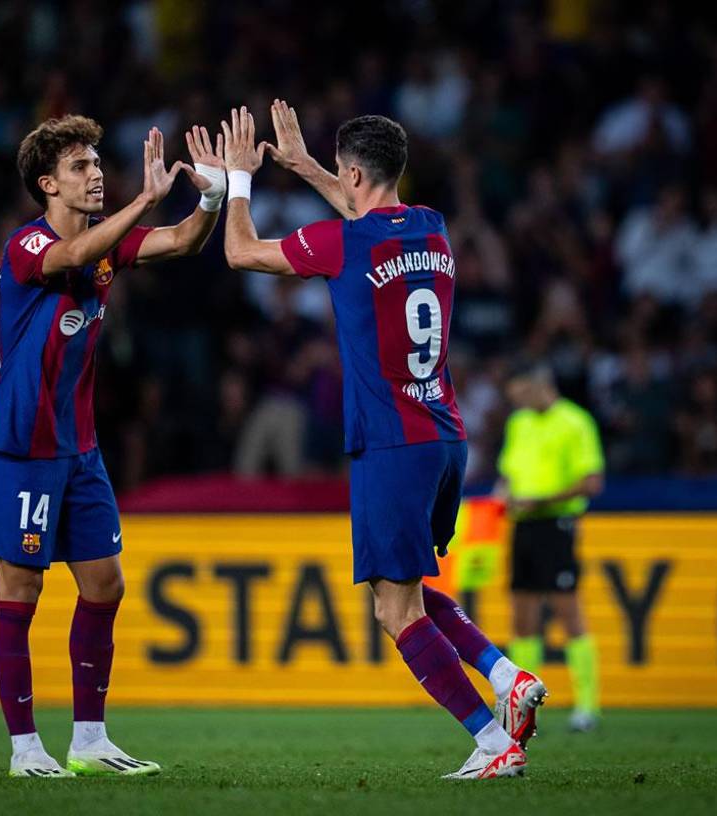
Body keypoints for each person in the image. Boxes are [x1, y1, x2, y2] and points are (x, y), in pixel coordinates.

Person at [220, 101, 543, 780]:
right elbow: (364, 208)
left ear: (353, 172)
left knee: (393, 611)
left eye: (341, 174)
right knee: (415, 592)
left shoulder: (343, 244)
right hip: (446, 437)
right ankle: (505, 672)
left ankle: (491, 741)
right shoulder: (431, 227)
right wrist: (310, 164)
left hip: (391, 444)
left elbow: (241, 251)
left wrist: (240, 180)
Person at [0, 116, 225, 779]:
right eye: (81, 167)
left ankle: (89, 740)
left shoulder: (105, 244)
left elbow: (180, 241)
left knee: (105, 584)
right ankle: (24, 749)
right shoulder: (27, 245)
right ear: (46, 183)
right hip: (23, 446)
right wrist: (142, 200)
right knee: (21, 587)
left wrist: (210, 197)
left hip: (78, 449)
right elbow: (72, 258)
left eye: (96, 163)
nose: (96, 174)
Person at [494, 361, 605, 732]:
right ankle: (526, 705)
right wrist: (499, 501)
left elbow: (591, 481)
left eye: (522, 394)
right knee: (522, 618)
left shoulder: (575, 422)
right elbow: (508, 476)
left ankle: (586, 705)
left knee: (566, 611)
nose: (518, 403)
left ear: (542, 384)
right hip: (522, 526)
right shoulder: (519, 423)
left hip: (556, 524)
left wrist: (539, 501)